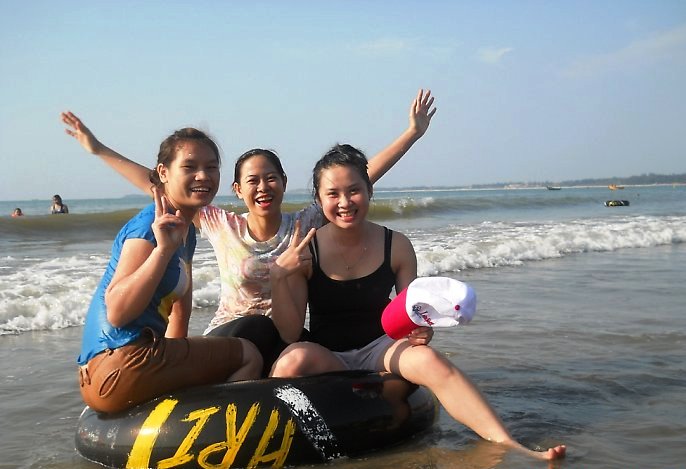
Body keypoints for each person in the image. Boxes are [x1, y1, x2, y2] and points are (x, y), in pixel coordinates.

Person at [61, 89, 436, 375]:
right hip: (232, 335)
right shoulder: (220, 224)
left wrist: (412, 134)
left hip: (280, 337)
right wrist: (99, 149)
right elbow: (162, 188)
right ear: (238, 190)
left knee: (301, 344)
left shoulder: (305, 224)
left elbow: (354, 182)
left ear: (283, 183)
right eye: (253, 180)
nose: (263, 187)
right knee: (259, 326)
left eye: (271, 178)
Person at [267, 144, 567, 461]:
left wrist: (422, 331)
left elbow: (410, 311)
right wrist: (279, 278)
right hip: (327, 354)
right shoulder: (305, 249)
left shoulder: (395, 244)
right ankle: (266, 448)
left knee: (430, 360)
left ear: (369, 191)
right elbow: (289, 332)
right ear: (318, 199)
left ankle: (509, 442)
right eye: (333, 194)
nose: (345, 202)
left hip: (381, 349)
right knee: (292, 359)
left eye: (354, 190)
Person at [77, 127, 261, 414]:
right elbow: (117, 312)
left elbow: (179, 314)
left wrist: (182, 363)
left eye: (211, 167)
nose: (203, 176)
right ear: (163, 172)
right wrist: (162, 250)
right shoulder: (149, 227)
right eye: (190, 167)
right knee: (249, 354)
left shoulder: (184, 231)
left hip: (117, 370)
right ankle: (224, 432)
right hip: (122, 365)